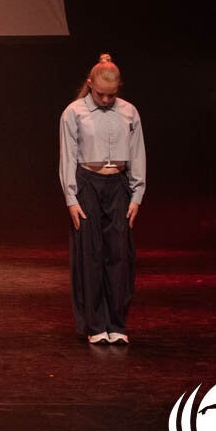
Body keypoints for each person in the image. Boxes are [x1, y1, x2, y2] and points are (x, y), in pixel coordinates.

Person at [59, 52, 147, 345]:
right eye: (101, 94)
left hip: (118, 184)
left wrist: (137, 193)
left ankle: (117, 323)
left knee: (119, 254)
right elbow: (68, 156)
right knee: (91, 253)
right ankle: (95, 323)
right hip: (88, 183)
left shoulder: (129, 112)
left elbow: (137, 153)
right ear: (90, 84)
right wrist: (71, 198)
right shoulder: (74, 113)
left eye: (112, 95)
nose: (107, 100)